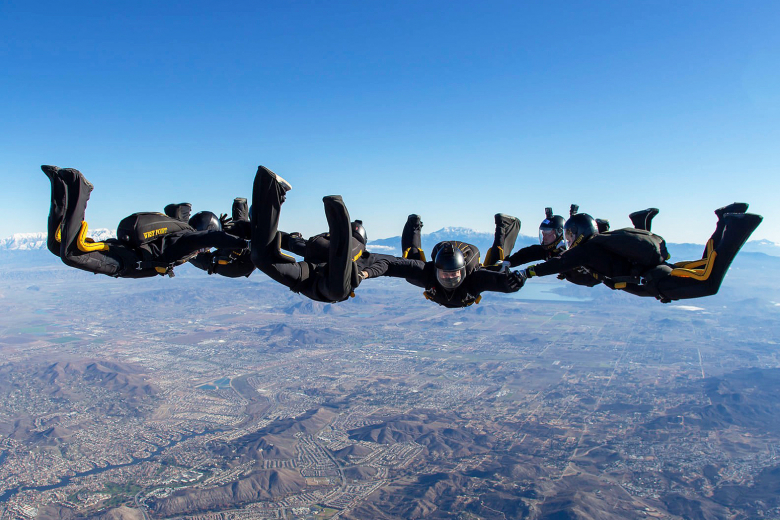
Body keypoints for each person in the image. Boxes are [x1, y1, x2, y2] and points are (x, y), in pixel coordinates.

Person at [519, 204, 762, 303]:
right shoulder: (599, 243)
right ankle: (723, 221)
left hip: (656, 281)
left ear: (581, 232)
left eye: (571, 235)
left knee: (709, 282)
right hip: (654, 276)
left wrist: (526, 273)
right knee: (703, 265)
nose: (569, 240)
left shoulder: (587, 250)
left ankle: (737, 227)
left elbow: (557, 264)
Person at [43, 165, 247, 278]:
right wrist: (242, 243)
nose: (205, 250)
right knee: (70, 254)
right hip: (125, 262)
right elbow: (210, 237)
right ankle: (79, 187)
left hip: (122, 250)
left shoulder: (178, 232)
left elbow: (182, 216)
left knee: (55, 245)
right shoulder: (187, 241)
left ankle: (59, 185)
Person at [251, 165, 389, 303]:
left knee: (261, 258)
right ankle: (271, 186)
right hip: (313, 278)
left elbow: (295, 244)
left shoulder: (368, 257)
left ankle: (271, 186)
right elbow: (392, 264)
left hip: (308, 282)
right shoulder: (366, 256)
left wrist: (364, 274)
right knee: (260, 258)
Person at [361, 214, 525, 308]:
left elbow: (501, 282)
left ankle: (505, 225)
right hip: (435, 272)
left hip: (466, 265)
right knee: (410, 271)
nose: (449, 278)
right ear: (436, 270)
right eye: (445, 274)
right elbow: (390, 264)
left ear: (462, 272)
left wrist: (514, 281)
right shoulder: (426, 272)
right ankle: (413, 225)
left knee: (497, 267)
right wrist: (362, 267)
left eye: (453, 274)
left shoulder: (474, 279)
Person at [189, 199, 256, 278]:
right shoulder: (190, 250)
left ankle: (240, 204)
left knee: (239, 227)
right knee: (239, 229)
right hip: (237, 264)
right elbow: (205, 261)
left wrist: (220, 227)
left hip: (239, 257)